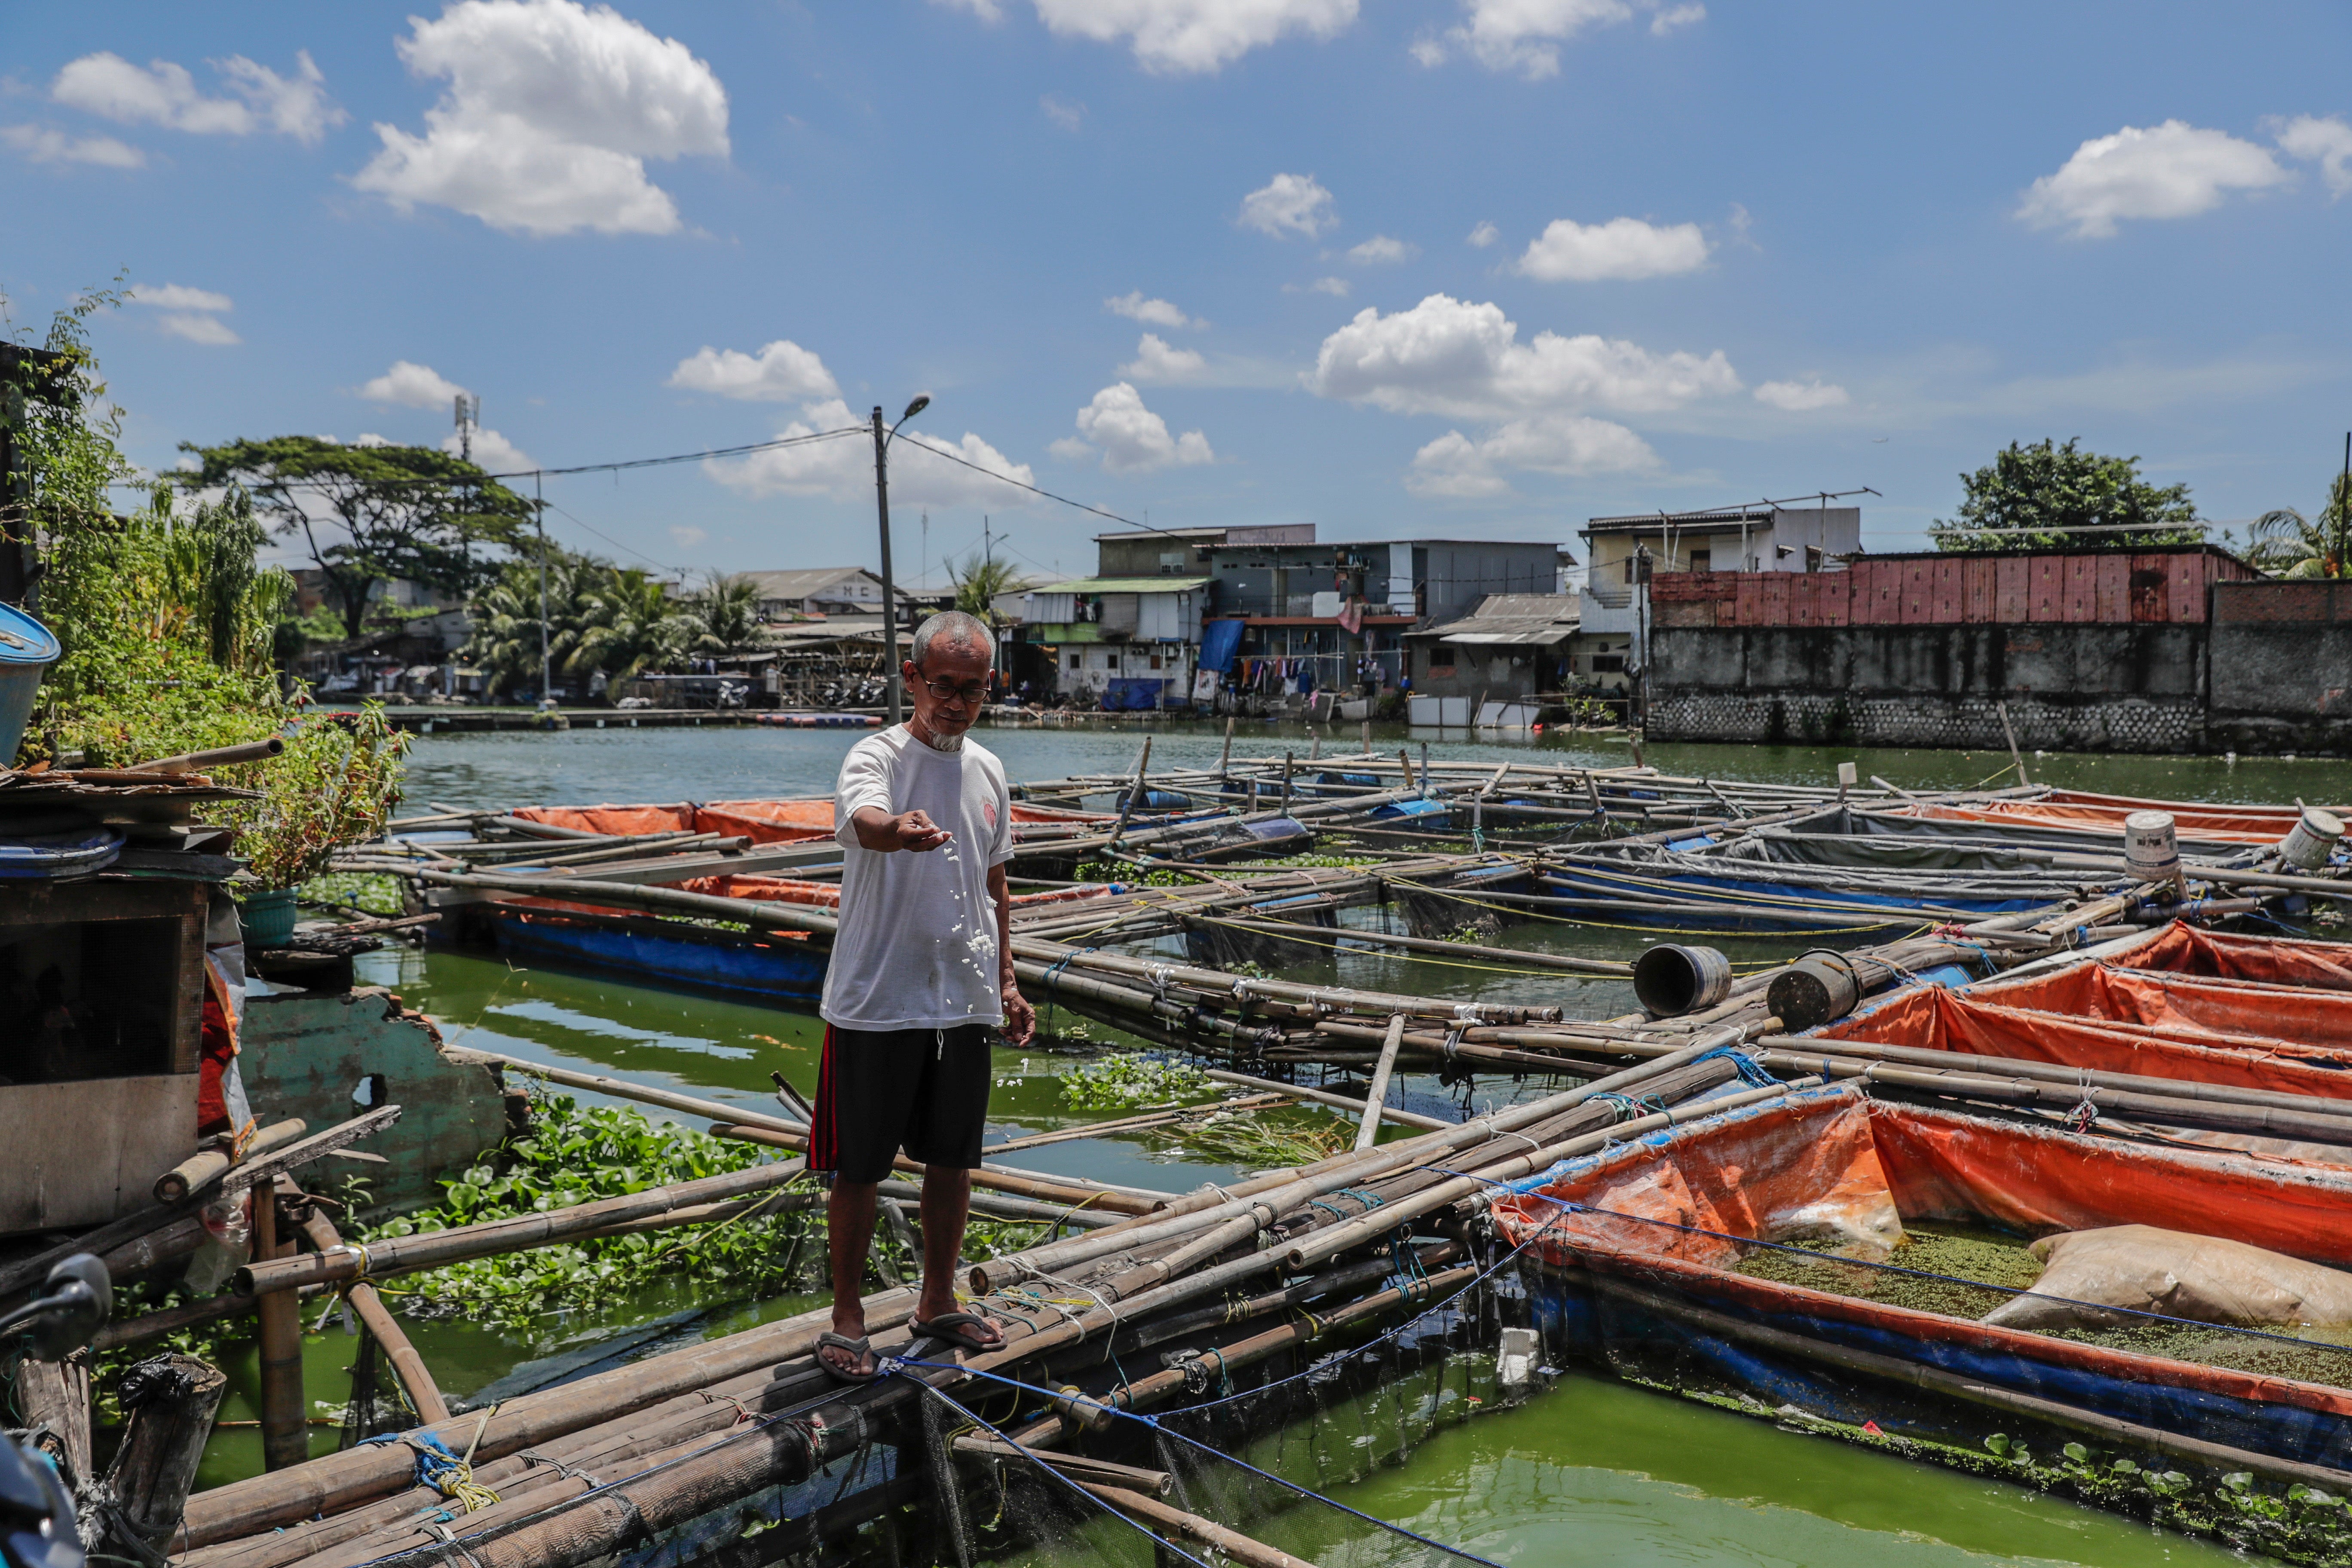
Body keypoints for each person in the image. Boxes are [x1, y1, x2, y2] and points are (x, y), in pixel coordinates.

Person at [812, 609, 1036, 1381]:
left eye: (973, 690)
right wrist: (897, 828)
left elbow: (996, 879)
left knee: (952, 1159)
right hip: (879, 996)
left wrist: (1007, 978)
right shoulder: (875, 753)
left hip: (964, 996)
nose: (956, 702)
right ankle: (846, 1318)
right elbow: (863, 820)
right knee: (861, 1166)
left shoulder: (989, 770)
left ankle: (936, 1298)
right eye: (942, 685)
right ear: (912, 679)